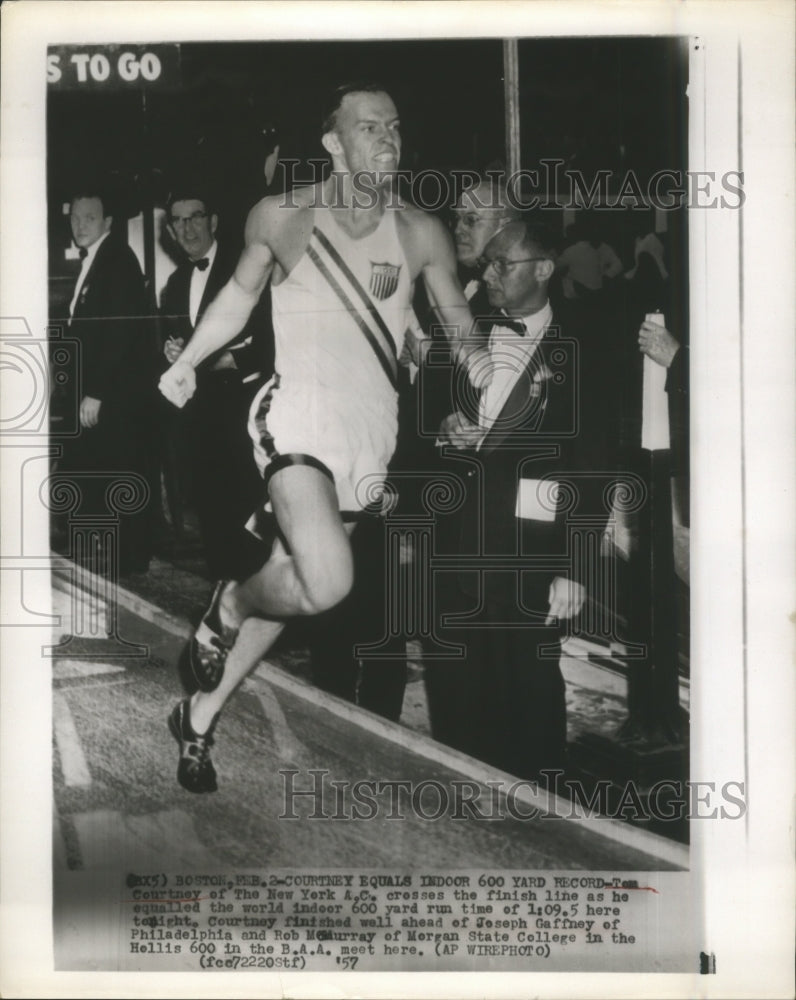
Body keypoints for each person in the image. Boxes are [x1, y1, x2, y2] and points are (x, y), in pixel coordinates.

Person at [158, 81, 486, 793]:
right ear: (334, 143)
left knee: (301, 580)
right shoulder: (284, 215)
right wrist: (186, 361)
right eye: (370, 128)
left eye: (395, 127)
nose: (388, 139)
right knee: (329, 578)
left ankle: (201, 714)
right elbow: (238, 298)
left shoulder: (419, 230)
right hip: (294, 418)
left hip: (369, 440)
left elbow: (455, 313)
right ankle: (228, 606)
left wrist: (477, 355)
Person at [425, 220, 612, 779]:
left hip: (533, 559)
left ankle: (538, 823)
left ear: (544, 269)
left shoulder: (584, 351)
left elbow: (594, 471)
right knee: (458, 696)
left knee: (530, 697)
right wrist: (443, 428)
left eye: (503, 264)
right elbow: (423, 424)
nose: (489, 274)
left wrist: (576, 569)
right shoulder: (464, 332)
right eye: (487, 264)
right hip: (458, 550)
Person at [159, 186, 271, 582]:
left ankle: (260, 602)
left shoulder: (244, 266)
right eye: (178, 219)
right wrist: (174, 351)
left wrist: (231, 358)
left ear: (213, 221)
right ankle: (225, 597)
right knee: (212, 513)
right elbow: (179, 341)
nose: (186, 227)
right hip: (200, 418)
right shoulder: (175, 283)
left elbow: (272, 339)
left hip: (243, 411)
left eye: (194, 216)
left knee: (250, 512)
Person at [55, 185, 156, 575]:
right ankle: (116, 558)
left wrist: (95, 391)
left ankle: (129, 561)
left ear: (108, 222)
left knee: (122, 471)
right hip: (104, 391)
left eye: (89, 218)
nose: (80, 225)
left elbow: (118, 333)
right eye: (75, 218)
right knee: (105, 470)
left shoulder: (116, 259)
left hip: (116, 394)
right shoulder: (98, 258)